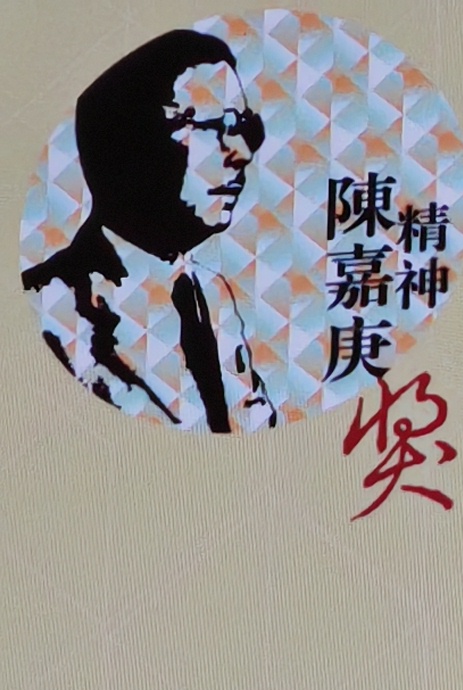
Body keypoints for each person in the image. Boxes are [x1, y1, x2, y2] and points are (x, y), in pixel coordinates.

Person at [22, 28, 280, 431]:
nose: (241, 154)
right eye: (213, 125)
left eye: (245, 127)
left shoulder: (209, 292)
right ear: (134, 141)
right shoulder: (50, 309)